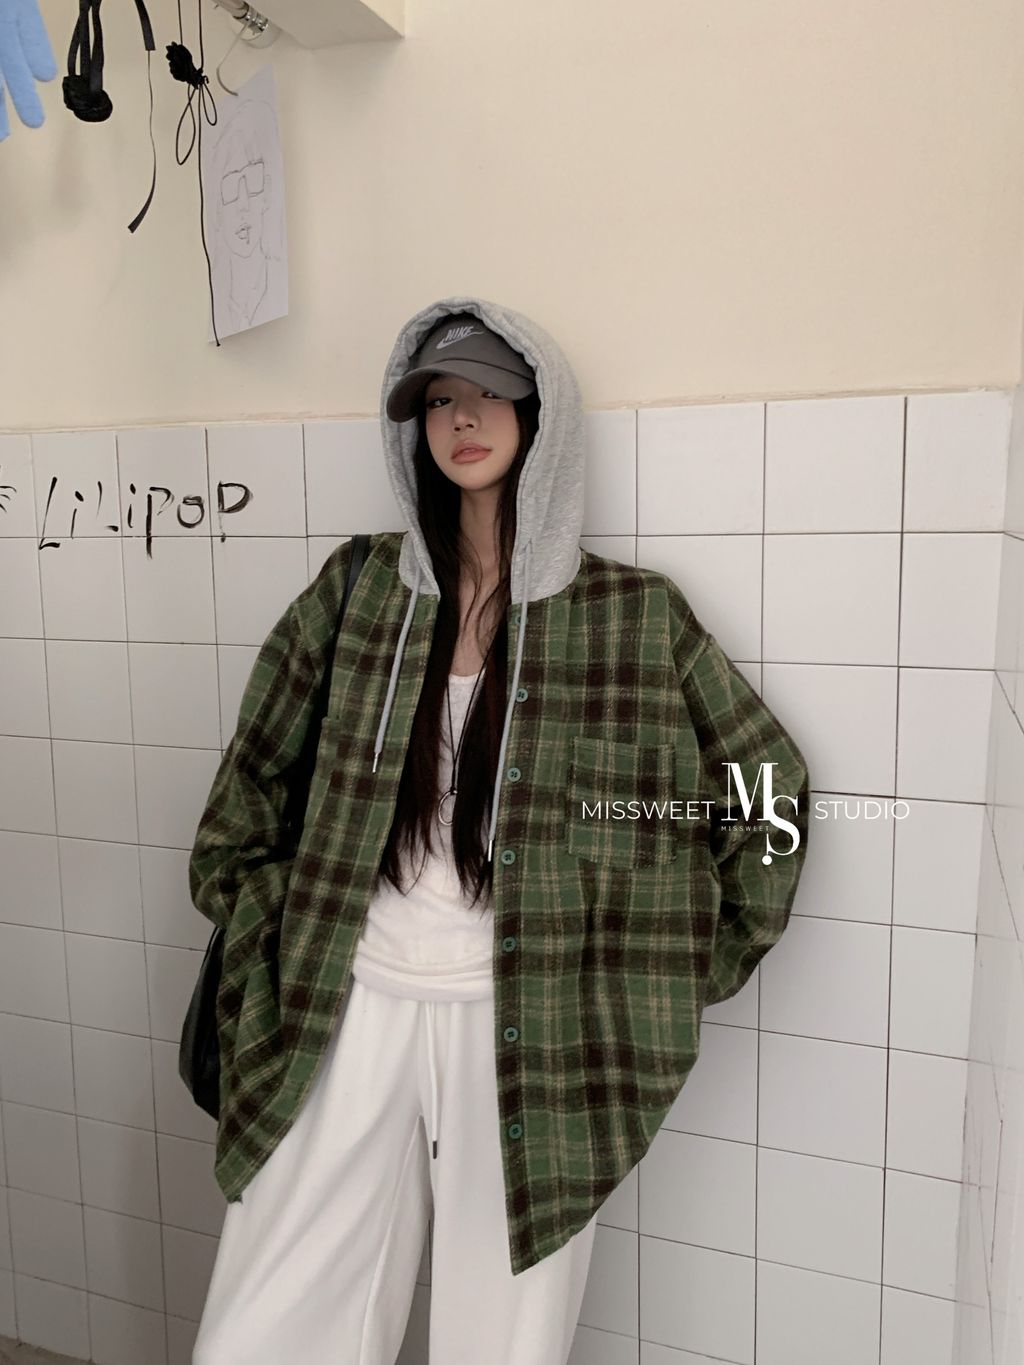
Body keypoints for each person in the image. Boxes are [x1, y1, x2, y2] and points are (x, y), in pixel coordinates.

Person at [188, 296, 812, 1364]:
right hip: (347, 1004)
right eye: (438, 400)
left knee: (504, 1341)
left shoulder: (632, 616)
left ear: (539, 414)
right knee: (269, 1327)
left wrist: (678, 964)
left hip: (536, 1025)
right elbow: (248, 783)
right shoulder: (356, 591)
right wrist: (265, 926)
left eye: (487, 393)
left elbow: (771, 792)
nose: (463, 418)